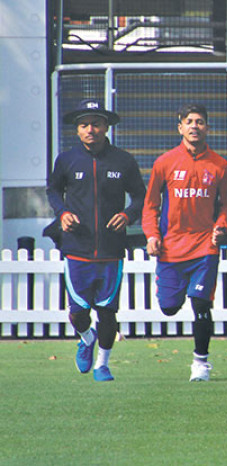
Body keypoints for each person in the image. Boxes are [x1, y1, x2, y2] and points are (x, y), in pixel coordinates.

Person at [47, 99, 146, 382]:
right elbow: (53, 190)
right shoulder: (66, 160)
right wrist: (62, 212)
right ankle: (85, 337)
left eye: (96, 123)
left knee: (108, 312)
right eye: (84, 124)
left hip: (111, 249)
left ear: (106, 127)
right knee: (79, 313)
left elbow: (140, 196)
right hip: (76, 247)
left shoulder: (123, 160)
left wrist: (128, 215)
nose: (91, 129)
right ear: (77, 130)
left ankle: (103, 364)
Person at [142, 103, 227, 382]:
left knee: (200, 303)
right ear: (180, 127)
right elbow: (150, 206)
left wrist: (221, 226)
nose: (195, 126)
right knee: (169, 307)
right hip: (171, 248)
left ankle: (201, 363)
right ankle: (175, 297)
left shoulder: (220, 165)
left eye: (201, 122)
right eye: (190, 121)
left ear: (208, 128)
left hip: (205, 247)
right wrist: (152, 235)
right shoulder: (165, 162)